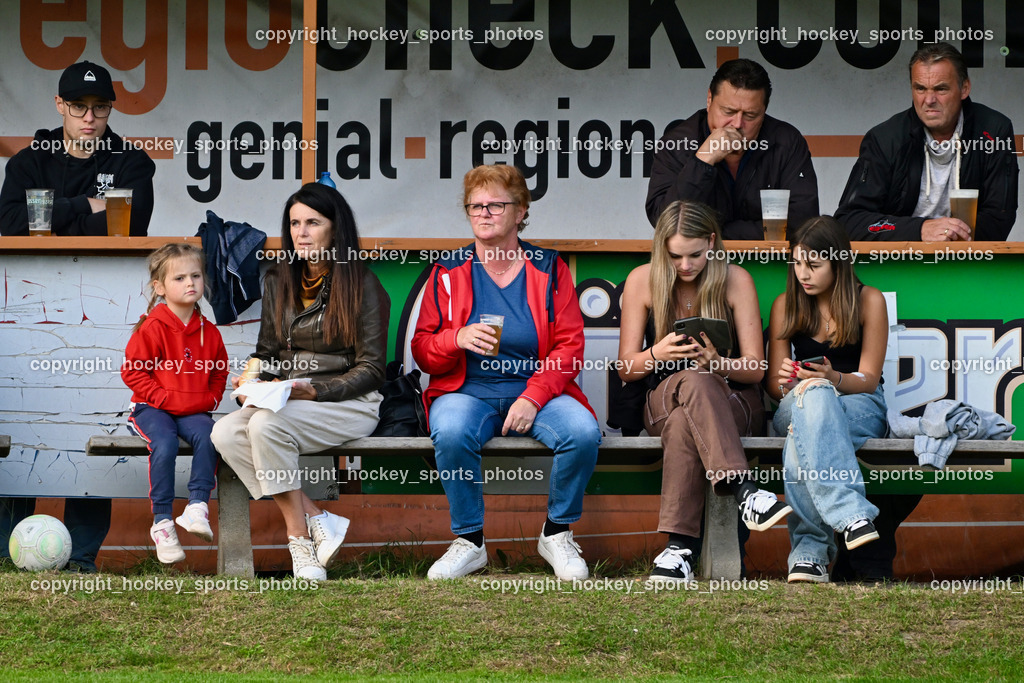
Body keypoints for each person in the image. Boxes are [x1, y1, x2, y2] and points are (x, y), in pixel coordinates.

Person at [411, 164, 601, 581]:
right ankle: (470, 540)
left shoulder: (549, 269)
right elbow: (423, 350)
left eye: (496, 204)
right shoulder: (448, 271)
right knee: (451, 429)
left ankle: (557, 533)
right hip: (467, 391)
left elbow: (569, 347)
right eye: (475, 206)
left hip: (539, 393)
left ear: (520, 211)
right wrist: (455, 339)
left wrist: (533, 396)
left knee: (583, 432)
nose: (484, 213)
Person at [211, 183, 389, 581]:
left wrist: (315, 389)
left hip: (350, 401)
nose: (302, 232)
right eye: (294, 223)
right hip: (289, 398)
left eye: (313, 222)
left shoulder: (364, 285)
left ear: (335, 229)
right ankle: (317, 517)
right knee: (224, 433)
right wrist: (250, 382)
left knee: (265, 425)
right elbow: (267, 350)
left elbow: (372, 369)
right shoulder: (278, 279)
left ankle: (299, 544)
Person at [617, 200, 791, 582]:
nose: (685, 266)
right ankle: (746, 490)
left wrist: (718, 364)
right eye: (675, 256)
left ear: (712, 242)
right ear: (662, 247)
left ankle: (679, 549)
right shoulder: (642, 279)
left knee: (688, 413)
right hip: (661, 397)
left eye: (695, 254)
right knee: (689, 385)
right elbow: (627, 369)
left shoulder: (735, 279)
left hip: (731, 399)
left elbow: (755, 369)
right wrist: (656, 352)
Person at [766, 216, 889, 583]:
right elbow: (774, 387)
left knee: (800, 437)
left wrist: (832, 378)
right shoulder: (784, 304)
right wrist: (788, 382)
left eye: (814, 265)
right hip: (796, 402)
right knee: (812, 397)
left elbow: (868, 379)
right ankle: (851, 513)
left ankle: (810, 553)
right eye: (798, 264)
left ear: (838, 262)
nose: (803, 274)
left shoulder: (869, 299)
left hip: (859, 403)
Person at [836, 42, 1018, 241]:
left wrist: (949, 236)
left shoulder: (993, 131)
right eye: (920, 88)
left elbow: (1000, 217)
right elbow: (850, 222)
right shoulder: (885, 138)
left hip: (970, 263)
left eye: (940, 89)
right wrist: (920, 230)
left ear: (964, 88)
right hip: (898, 264)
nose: (929, 100)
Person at [122, 244, 229, 564]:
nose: (190, 283)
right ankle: (163, 523)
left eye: (195, 275)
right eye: (179, 277)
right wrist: (163, 398)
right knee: (165, 443)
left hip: (194, 411)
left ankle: (197, 507)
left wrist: (210, 399)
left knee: (211, 434)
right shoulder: (151, 328)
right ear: (159, 287)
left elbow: (219, 371)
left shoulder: (209, 333)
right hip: (151, 409)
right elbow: (133, 372)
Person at [646, 58, 819, 240]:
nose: (737, 124)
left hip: (770, 264)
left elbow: (803, 223)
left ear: (764, 111)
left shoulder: (787, 142)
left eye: (750, 115)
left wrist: (717, 234)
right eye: (728, 112)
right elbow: (663, 221)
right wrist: (702, 161)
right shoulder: (677, 143)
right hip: (697, 265)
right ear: (709, 99)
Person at [0, 60, 155, 236]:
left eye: (100, 106)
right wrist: (82, 205)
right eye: (79, 106)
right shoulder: (29, 161)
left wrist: (53, 229)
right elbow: (10, 224)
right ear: (60, 105)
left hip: (107, 264)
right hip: (43, 264)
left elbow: (132, 227)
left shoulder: (132, 161)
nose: (89, 117)